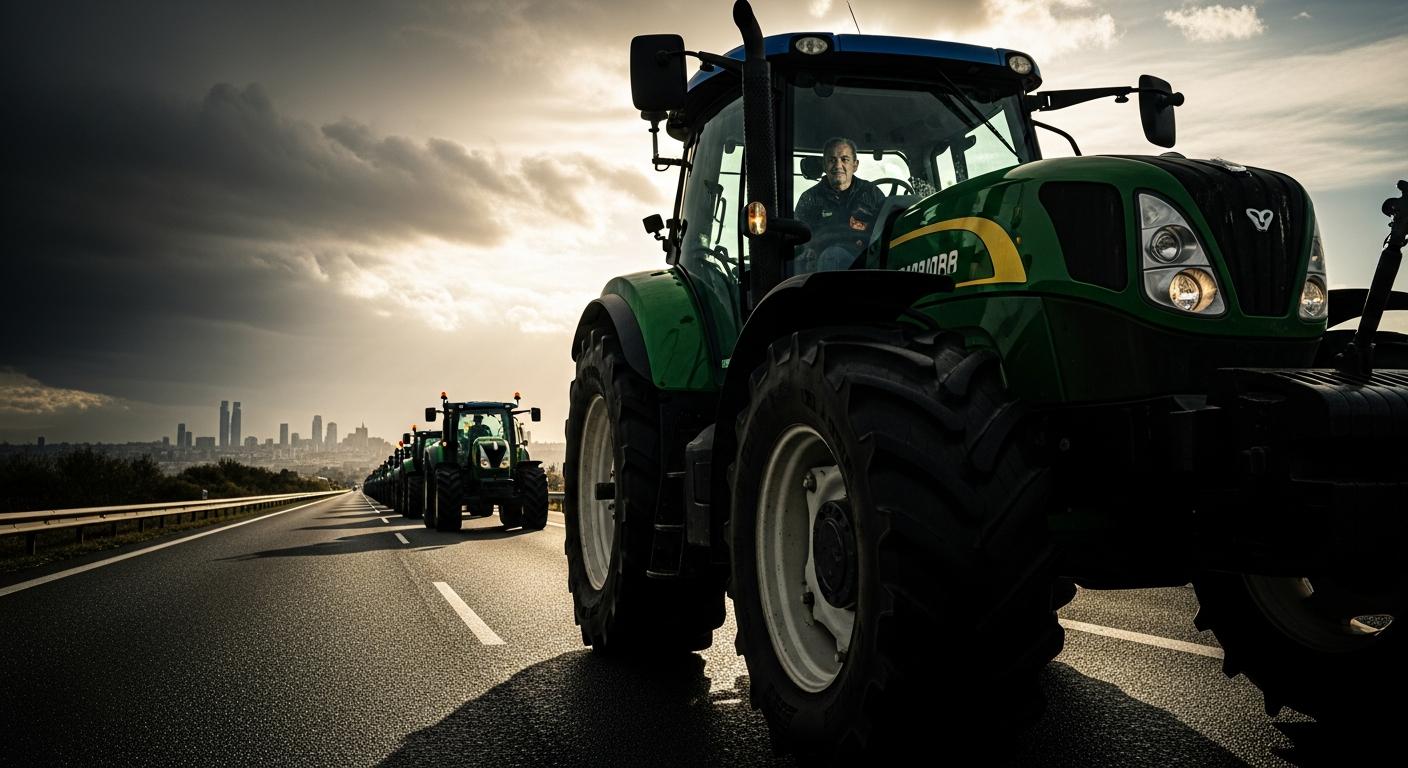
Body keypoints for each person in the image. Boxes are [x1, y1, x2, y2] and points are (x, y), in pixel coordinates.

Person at [793, 137, 887, 273]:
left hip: (867, 263)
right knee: (832, 257)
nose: (838, 166)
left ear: (855, 165)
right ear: (824, 166)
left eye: (845, 159)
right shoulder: (810, 199)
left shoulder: (871, 194)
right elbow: (798, 241)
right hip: (822, 263)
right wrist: (809, 250)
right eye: (832, 160)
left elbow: (886, 228)